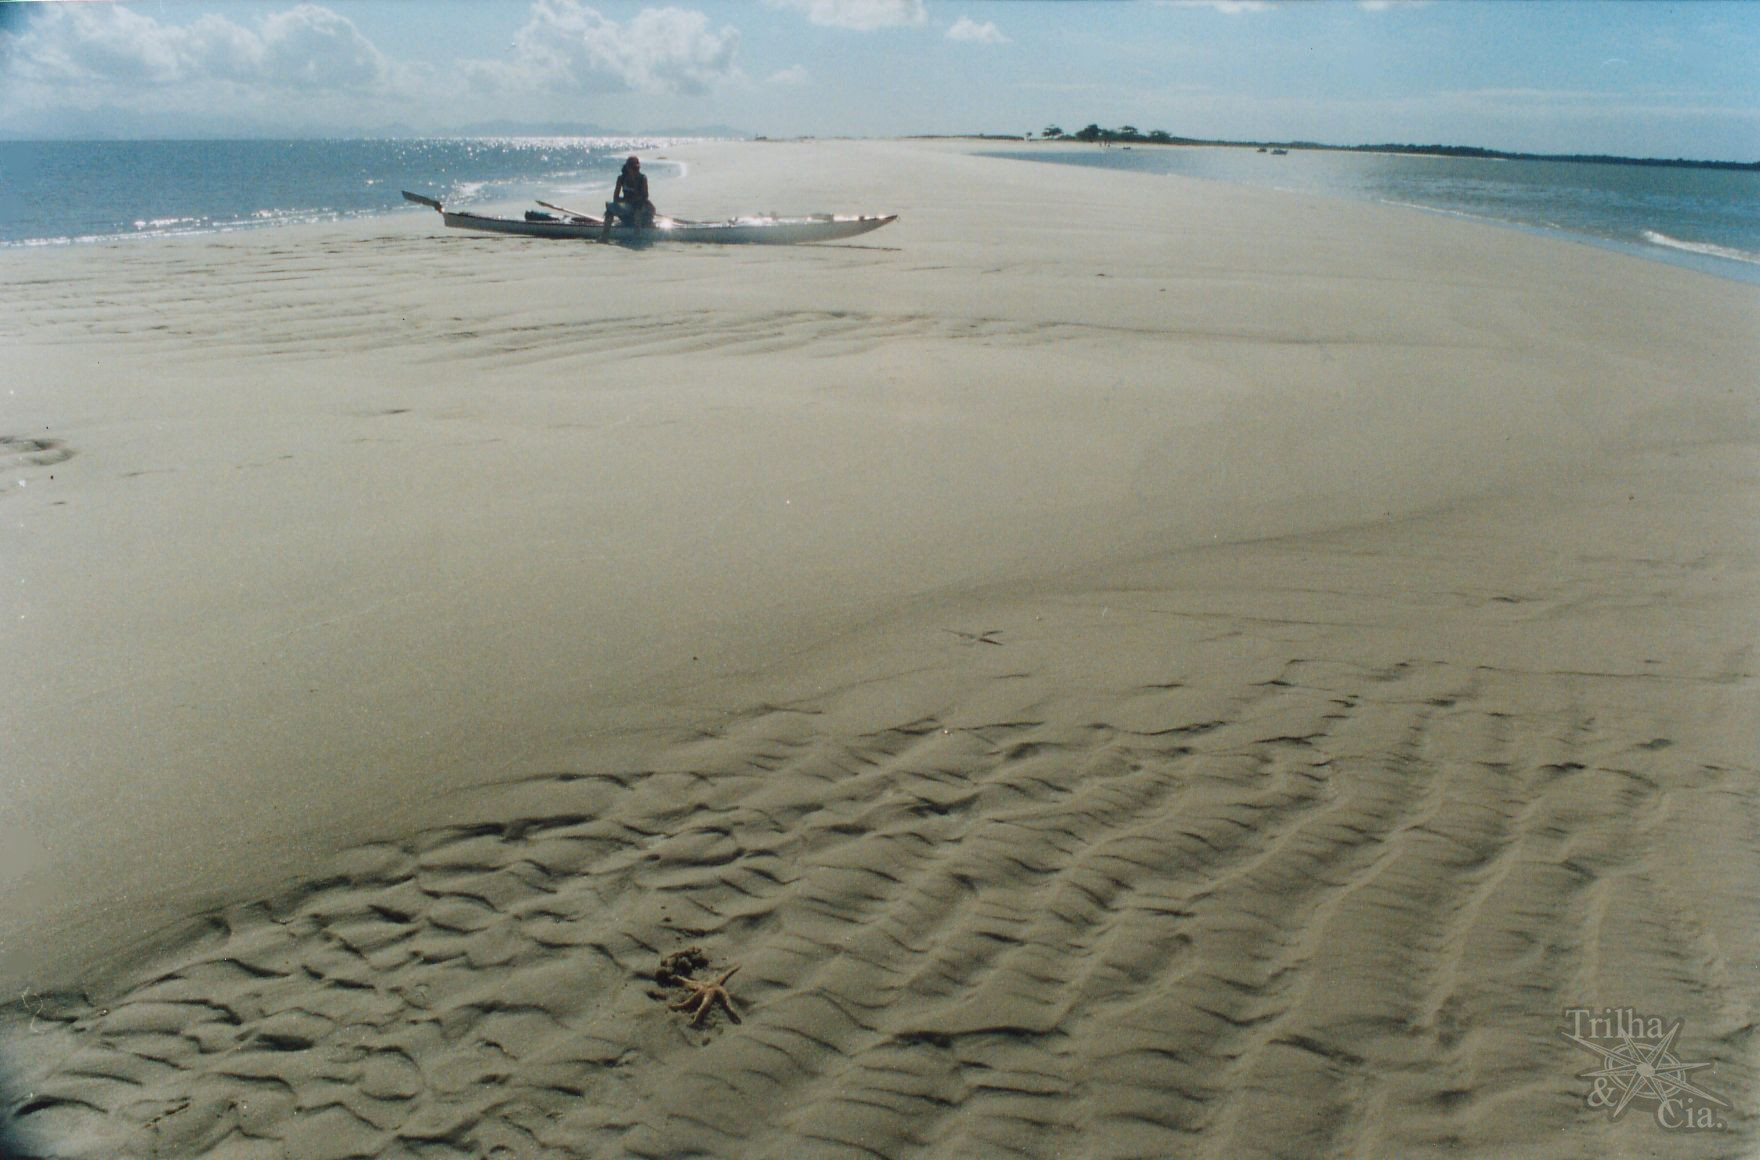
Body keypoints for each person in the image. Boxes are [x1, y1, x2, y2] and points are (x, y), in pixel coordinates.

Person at [601, 156, 655, 239]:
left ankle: (637, 236)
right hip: (627, 207)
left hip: (642, 209)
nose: (635, 170)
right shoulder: (621, 178)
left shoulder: (642, 178)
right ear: (628, 168)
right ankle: (604, 235)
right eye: (633, 168)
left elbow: (645, 197)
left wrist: (633, 201)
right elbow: (615, 198)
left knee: (638, 210)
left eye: (637, 168)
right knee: (609, 210)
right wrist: (626, 202)